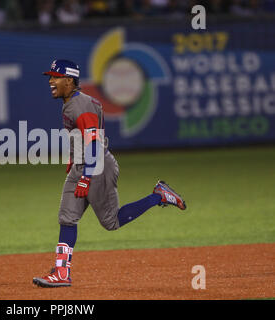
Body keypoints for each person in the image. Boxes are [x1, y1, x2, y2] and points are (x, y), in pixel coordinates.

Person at [32, 59, 186, 287]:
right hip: (83, 166)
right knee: (67, 217)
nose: (51, 81)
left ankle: (159, 195)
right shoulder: (73, 102)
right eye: (50, 77)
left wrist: (86, 177)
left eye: (55, 77)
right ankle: (62, 272)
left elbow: (94, 143)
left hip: (96, 167)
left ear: (69, 80)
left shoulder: (79, 105)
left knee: (111, 222)